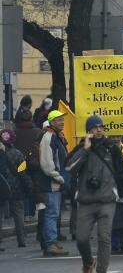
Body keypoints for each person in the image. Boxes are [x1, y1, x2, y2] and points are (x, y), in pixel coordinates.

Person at [65, 115, 123, 273]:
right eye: (95, 127)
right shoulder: (82, 148)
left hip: (107, 200)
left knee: (104, 238)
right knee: (81, 238)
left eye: (101, 127)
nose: (99, 130)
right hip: (86, 201)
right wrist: (86, 149)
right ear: (88, 131)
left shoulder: (112, 149)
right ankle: (88, 263)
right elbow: (69, 168)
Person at [36, 109, 71, 256]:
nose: (62, 122)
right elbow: (47, 165)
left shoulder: (56, 137)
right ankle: (50, 243)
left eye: (62, 119)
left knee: (53, 214)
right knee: (52, 213)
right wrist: (61, 178)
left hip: (54, 183)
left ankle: (52, 241)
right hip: (52, 183)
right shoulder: (49, 137)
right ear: (51, 122)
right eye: (58, 120)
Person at [0, 129, 30, 249]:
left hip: (2, 187)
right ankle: (21, 240)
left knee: (0, 215)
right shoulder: (18, 153)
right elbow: (23, 173)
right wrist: (28, 186)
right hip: (17, 188)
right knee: (19, 215)